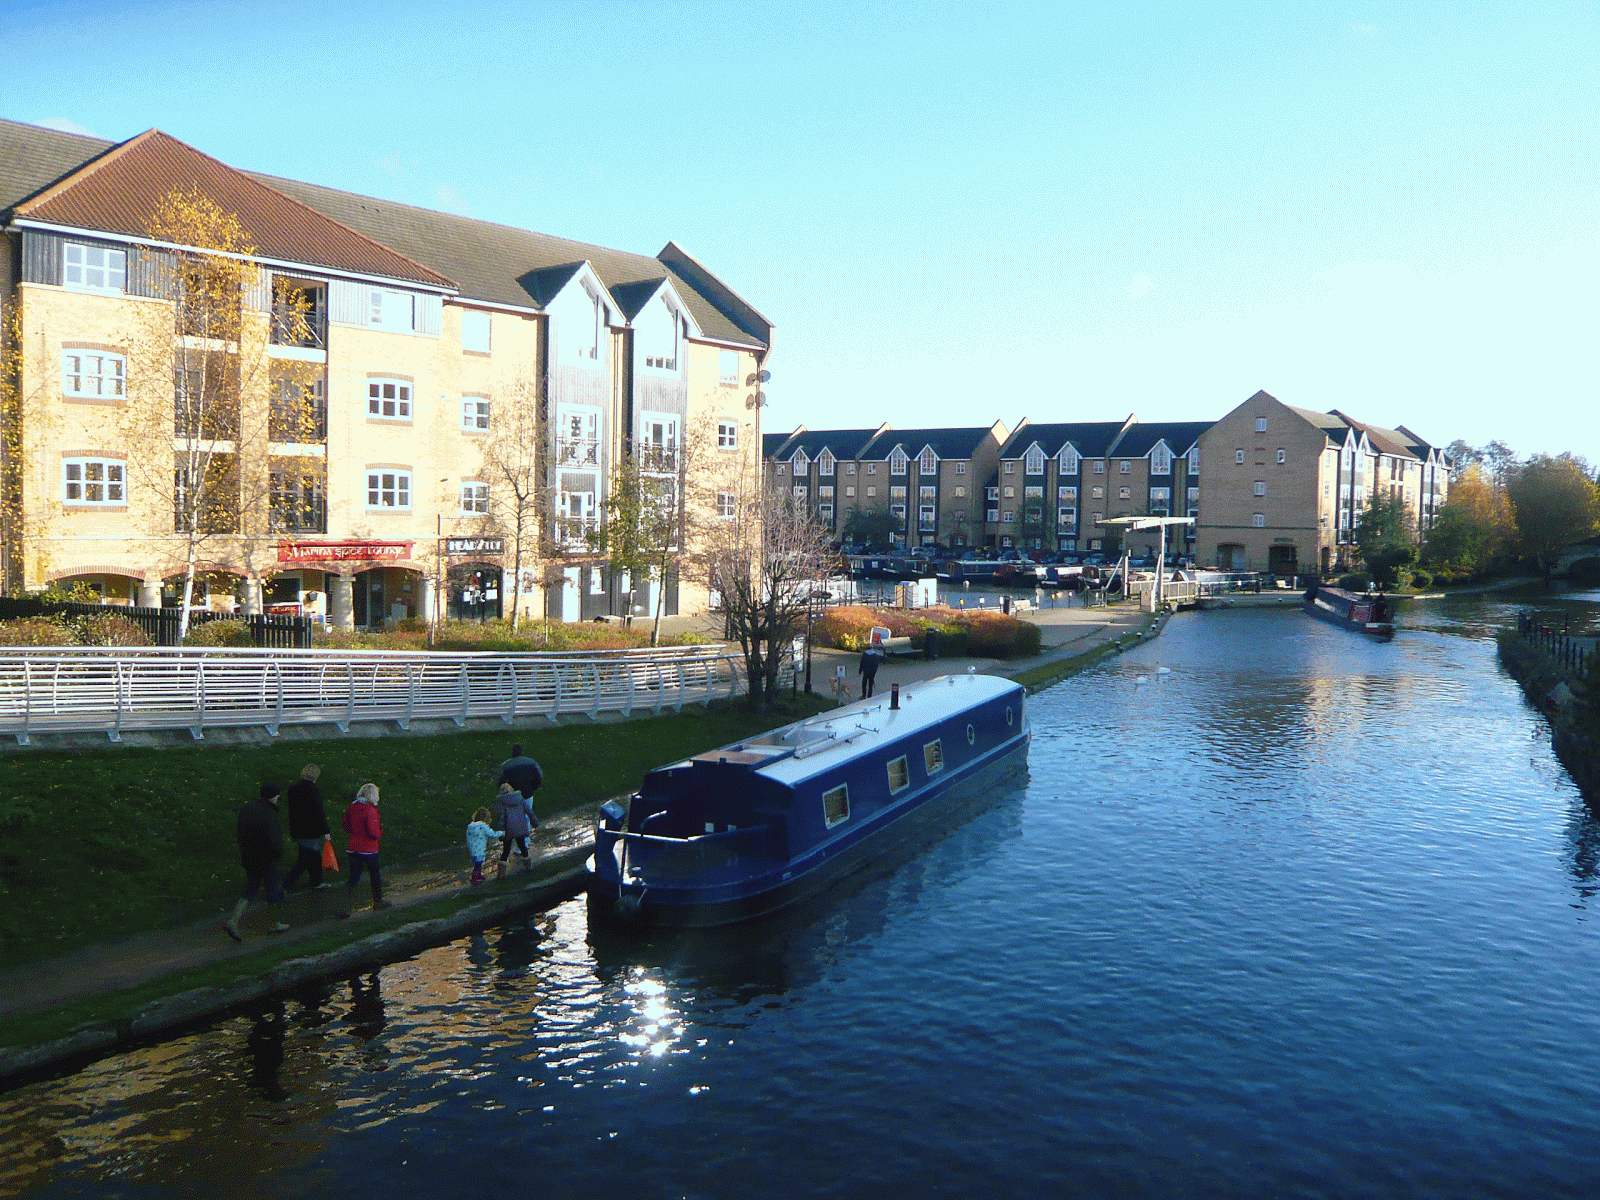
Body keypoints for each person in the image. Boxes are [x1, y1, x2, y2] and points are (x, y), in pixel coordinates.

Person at [223, 783, 289, 941]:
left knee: (251, 888)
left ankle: (233, 920)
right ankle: (274, 923)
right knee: (272, 889)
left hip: (249, 856)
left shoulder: (248, 809)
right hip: (267, 858)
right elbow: (274, 839)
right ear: (273, 796)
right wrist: (279, 853)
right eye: (277, 795)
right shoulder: (269, 813)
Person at [281, 763, 330, 890]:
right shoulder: (313, 791)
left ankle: (315, 881)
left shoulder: (294, 789)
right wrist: (325, 830)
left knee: (309, 857)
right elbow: (319, 812)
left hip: (297, 828)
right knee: (308, 858)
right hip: (311, 830)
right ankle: (287, 885)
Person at [343, 783, 390, 909]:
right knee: (374, 874)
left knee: (354, 877)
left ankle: (343, 905)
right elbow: (373, 832)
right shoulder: (371, 810)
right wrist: (381, 832)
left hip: (353, 847)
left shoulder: (352, 807)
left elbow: (346, 825)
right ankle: (378, 901)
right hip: (369, 849)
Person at [496, 782, 532, 876]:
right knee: (522, 846)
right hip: (520, 827)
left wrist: (500, 832)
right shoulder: (519, 798)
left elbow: (501, 818)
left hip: (508, 830)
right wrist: (535, 822)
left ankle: (501, 873)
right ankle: (528, 867)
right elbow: (529, 811)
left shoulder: (501, 802)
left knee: (506, 850)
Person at [465, 806, 500, 885]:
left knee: (478, 863)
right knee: (478, 864)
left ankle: (478, 875)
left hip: (474, 847)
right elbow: (491, 834)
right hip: (478, 848)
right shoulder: (482, 826)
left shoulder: (472, 826)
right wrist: (501, 833)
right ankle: (474, 878)